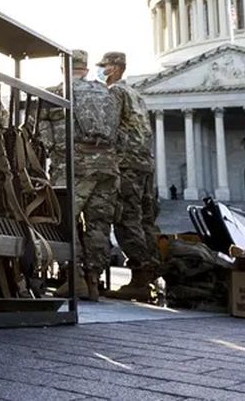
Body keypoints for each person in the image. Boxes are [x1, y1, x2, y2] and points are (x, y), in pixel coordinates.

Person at [43, 49, 119, 301]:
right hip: (107, 166)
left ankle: (74, 278)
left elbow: (43, 136)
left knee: (65, 220)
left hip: (73, 166)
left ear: (63, 68)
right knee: (99, 225)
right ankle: (94, 280)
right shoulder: (107, 93)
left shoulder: (55, 93)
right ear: (85, 69)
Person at [98, 51, 160, 302]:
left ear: (114, 68)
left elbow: (108, 127)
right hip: (145, 164)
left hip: (126, 164)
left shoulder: (115, 93)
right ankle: (151, 271)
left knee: (126, 219)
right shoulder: (137, 95)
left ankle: (140, 277)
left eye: (104, 67)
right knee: (146, 220)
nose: (101, 71)